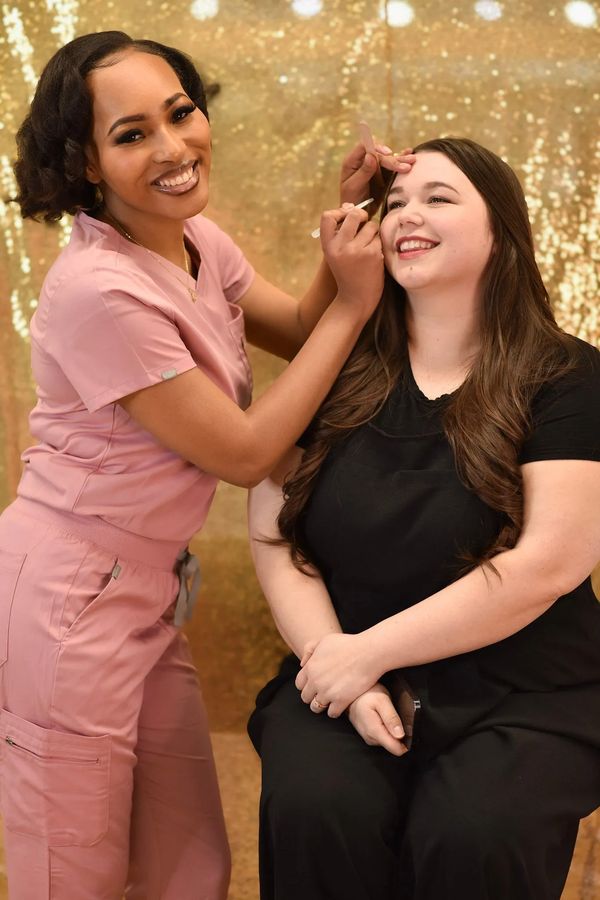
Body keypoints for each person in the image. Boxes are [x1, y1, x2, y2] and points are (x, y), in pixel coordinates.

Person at [0, 29, 414, 900]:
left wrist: (354, 224)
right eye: (132, 134)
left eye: (181, 113)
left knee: (190, 868)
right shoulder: (98, 292)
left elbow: (299, 330)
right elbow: (246, 452)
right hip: (66, 598)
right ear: (84, 162)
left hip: (146, 590)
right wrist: (358, 305)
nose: (176, 148)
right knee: (71, 871)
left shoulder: (193, 241)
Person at [248, 137, 600, 900]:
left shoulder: (568, 375)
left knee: (474, 835)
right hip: (341, 672)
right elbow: (274, 533)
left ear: (501, 231)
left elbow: (551, 563)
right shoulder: (334, 368)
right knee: (317, 809)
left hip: (524, 693)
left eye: (440, 198)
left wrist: (364, 653)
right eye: (396, 203)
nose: (408, 215)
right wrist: (336, 663)